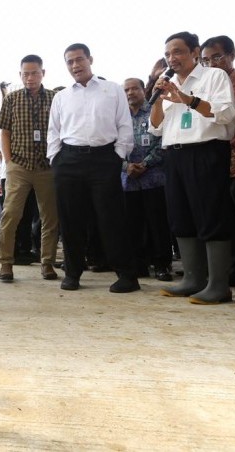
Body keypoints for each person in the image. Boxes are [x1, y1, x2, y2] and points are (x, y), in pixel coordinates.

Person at [148, 31, 235, 305]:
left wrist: (187, 99)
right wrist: (159, 97)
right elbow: (155, 127)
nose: (172, 59)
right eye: (167, 54)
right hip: (174, 156)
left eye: (178, 52)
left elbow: (225, 113)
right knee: (180, 217)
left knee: (211, 215)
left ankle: (219, 285)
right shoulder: (169, 84)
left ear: (194, 52)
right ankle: (192, 279)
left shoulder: (214, 77)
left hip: (206, 151)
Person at [48, 43, 139, 293]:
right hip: (69, 160)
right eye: (70, 61)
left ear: (90, 59)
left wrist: (118, 155)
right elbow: (53, 132)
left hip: (104, 160)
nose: (75, 65)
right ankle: (73, 273)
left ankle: (127, 275)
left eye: (79, 59)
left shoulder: (112, 90)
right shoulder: (61, 97)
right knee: (71, 220)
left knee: (111, 218)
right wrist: (55, 159)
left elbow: (124, 124)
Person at [0, 54, 59, 282]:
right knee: (10, 214)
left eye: (34, 73)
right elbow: (5, 131)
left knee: (49, 217)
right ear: (20, 75)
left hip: (46, 166)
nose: (30, 78)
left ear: (43, 73)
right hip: (19, 166)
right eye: (25, 74)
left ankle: (48, 263)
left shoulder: (55, 98)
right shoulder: (11, 99)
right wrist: (9, 161)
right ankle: (5, 264)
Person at [201, 35, 235, 288]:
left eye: (217, 56)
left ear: (231, 55)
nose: (212, 63)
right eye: (206, 60)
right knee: (227, 220)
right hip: (218, 162)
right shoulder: (204, 88)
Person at [122, 78, 173, 281]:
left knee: (158, 224)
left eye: (135, 88)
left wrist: (145, 164)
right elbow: (110, 144)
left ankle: (162, 265)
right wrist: (127, 166)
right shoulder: (119, 116)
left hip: (154, 178)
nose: (130, 93)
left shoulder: (156, 109)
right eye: (126, 89)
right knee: (132, 225)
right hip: (128, 180)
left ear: (144, 90)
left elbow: (164, 140)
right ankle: (138, 265)